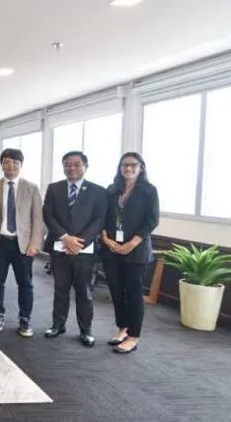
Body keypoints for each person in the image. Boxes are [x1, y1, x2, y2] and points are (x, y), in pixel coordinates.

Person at [43, 151, 107, 347]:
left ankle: (85, 330)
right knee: (60, 289)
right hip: (60, 247)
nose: (71, 168)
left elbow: (99, 219)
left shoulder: (98, 191)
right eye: (67, 164)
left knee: (84, 292)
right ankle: (57, 325)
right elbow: (48, 215)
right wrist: (65, 237)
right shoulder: (54, 188)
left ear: (85, 166)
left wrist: (79, 242)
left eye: (76, 164)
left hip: (83, 250)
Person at [100, 152, 159, 354]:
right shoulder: (112, 189)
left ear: (141, 167)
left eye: (133, 165)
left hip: (136, 249)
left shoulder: (149, 190)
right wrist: (106, 239)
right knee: (116, 291)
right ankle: (122, 328)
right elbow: (103, 215)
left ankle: (133, 336)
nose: (128, 168)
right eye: (125, 165)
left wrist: (132, 243)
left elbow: (152, 220)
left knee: (133, 293)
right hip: (111, 248)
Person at [0, 148, 44, 337]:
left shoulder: (31, 188)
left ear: (21, 165)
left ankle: (25, 318)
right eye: (6, 162)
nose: (10, 166)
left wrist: (35, 243)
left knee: (25, 283)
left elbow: (38, 218)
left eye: (15, 163)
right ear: (1, 164)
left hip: (24, 244)